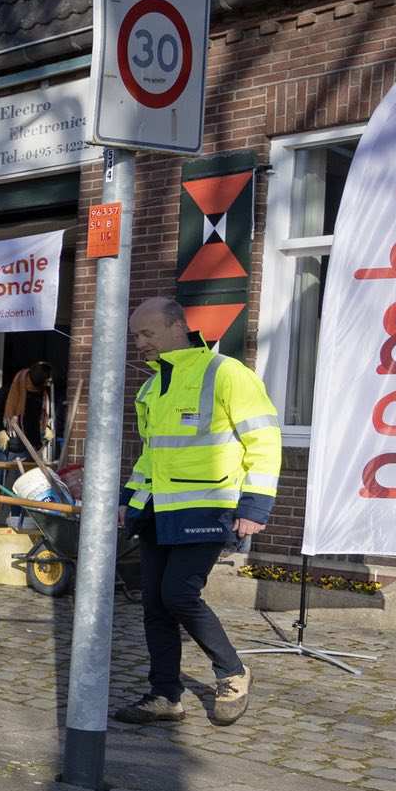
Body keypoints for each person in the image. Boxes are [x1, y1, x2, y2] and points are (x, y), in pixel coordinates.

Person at [114, 298, 279, 728]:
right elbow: (152, 455)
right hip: (157, 511)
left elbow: (263, 440)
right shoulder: (152, 386)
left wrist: (256, 505)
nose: (140, 344)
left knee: (178, 595)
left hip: (208, 507)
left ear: (176, 327)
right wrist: (130, 500)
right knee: (154, 603)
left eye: (147, 334)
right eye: (135, 336)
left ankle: (233, 673)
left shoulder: (226, 373)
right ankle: (166, 695)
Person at [0, 361, 53, 459]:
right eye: (46, 381)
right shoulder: (8, 391)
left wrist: (47, 428)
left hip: (28, 448)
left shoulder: (42, 395)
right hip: (3, 447)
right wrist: (0, 431)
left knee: (22, 475)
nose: (47, 384)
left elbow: (43, 417)